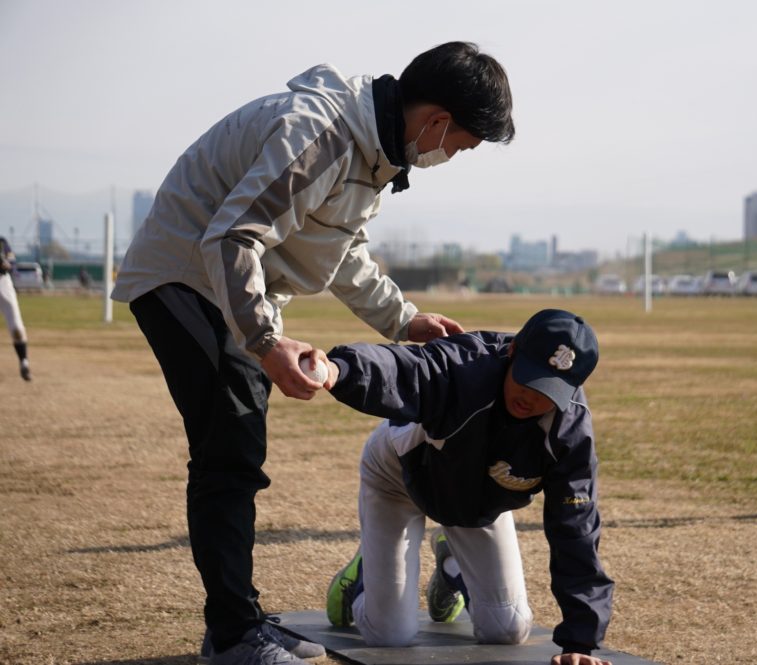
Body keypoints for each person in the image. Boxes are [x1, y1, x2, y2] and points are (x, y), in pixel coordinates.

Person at [110, 42, 515, 665]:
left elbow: (342, 251)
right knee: (229, 453)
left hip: (225, 288)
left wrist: (404, 321)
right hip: (183, 278)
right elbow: (232, 236)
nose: (449, 157)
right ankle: (231, 633)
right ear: (436, 120)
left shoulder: (370, 154)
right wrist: (267, 342)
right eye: (459, 145)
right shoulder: (321, 134)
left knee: (237, 452)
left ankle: (241, 620)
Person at [321, 309, 614, 665]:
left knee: (509, 629)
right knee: (389, 635)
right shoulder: (465, 366)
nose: (531, 398)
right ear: (513, 351)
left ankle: (451, 565)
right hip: (397, 477)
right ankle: (363, 575)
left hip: (474, 498)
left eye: (548, 391)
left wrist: (580, 643)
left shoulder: (569, 433)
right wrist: (339, 370)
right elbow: (399, 366)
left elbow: (576, 532)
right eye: (528, 379)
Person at [0, 236, 31, 381]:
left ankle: (24, 361)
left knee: (16, 326)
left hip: (2, 282)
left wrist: (6, 264)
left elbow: (11, 262)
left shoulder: (2, 241)